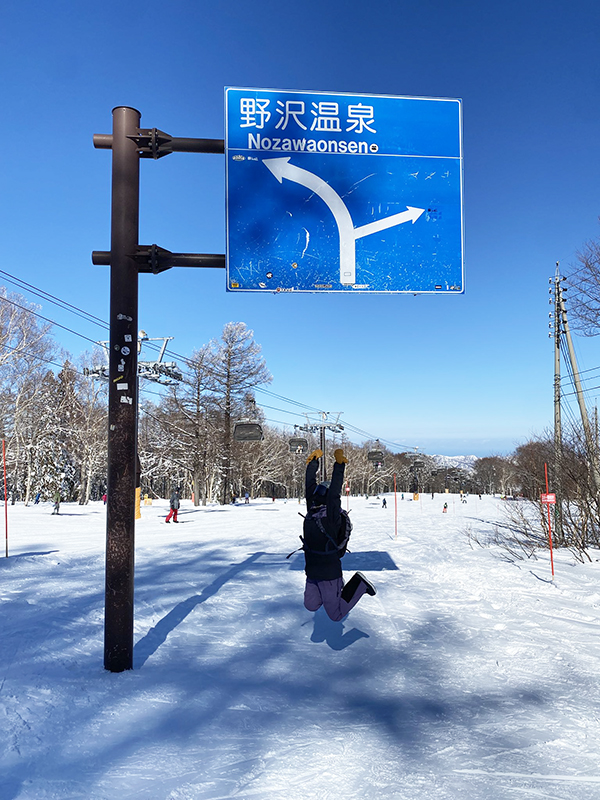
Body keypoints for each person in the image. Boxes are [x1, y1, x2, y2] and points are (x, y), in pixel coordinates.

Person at [301, 448, 376, 622]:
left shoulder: (332, 514)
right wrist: (312, 464)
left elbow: (335, 490)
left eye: (321, 492)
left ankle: (359, 584)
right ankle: (334, 594)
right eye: (317, 491)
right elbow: (308, 485)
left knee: (335, 615)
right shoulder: (312, 510)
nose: (317, 493)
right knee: (310, 605)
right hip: (312, 571)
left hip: (329, 572)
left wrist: (339, 465)